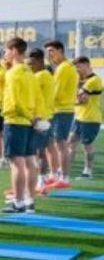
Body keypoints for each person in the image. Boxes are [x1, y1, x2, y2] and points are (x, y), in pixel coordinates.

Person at [0, 37, 39, 213]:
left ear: (14, 51)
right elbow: (37, 98)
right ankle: (29, 200)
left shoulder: (13, 73)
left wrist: (29, 117)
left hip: (16, 121)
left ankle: (19, 202)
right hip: (29, 121)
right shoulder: (29, 72)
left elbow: (14, 103)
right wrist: (35, 117)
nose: (4, 54)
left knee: (17, 163)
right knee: (29, 160)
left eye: (6, 50)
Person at [44, 40, 78, 190]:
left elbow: (55, 93)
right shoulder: (64, 67)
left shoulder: (64, 68)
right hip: (61, 110)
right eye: (48, 51)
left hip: (61, 110)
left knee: (60, 144)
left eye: (52, 51)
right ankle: (55, 175)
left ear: (60, 50)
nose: (49, 55)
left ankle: (63, 177)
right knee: (54, 143)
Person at [28, 48, 56, 194]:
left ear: (39, 61)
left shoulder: (39, 76)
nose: (29, 66)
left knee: (38, 152)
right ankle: (40, 180)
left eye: (32, 63)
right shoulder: (47, 75)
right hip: (46, 117)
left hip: (39, 118)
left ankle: (40, 181)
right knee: (41, 151)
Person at [71, 56, 102, 179]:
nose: (77, 69)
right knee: (71, 141)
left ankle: (87, 172)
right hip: (79, 117)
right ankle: (64, 171)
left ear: (86, 65)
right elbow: (79, 99)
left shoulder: (94, 80)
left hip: (90, 118)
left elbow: (81, 99)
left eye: (78, 66)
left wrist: (74, 98)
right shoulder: (82, 80)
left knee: (86, 144)